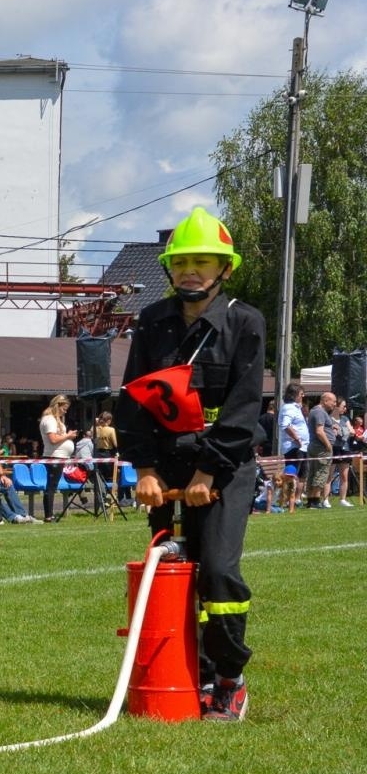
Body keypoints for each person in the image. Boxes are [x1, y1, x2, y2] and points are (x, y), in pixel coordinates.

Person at [117, 206, 264, 722]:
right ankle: (189, 674)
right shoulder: (151, 321)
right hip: (167, 467)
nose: (191, 271)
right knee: (172, 573)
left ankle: (229, 679)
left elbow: (246, 407)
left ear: (225, 269)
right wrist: (145, 469)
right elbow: (134, 398)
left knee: (219, 573)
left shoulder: (245, 323)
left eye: (204, 261)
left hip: (225, 467)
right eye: (181, 261)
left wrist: (210, 471)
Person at [38, 395, 78, 522]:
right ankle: (48, 516)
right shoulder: (49, 420)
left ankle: (49, 515)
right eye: (64, 409)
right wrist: (68, 436)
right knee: (51, 487)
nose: (65, 412)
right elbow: (53, 439)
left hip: (59, 457)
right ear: (57, 406)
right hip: (54, 456)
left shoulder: (55, 419)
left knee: (52, 486)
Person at [305, 392, 338, 509]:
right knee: (321, 473)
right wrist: (328, 445)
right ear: (325, 401)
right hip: (321, 448)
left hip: (315, 446)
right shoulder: (319, 412)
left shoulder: (316, 411)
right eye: (333, 401)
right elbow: (319, 431)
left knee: (314, 473)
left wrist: (332, 428)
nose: (334, 404)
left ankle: (311, 500)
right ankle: (315, 500)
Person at [277, 383, 307, 513]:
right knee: (291, 477)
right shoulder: (289, 408)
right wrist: (297, 439)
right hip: (293, 448)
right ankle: (285, 502)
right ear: (294, 395)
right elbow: (285, 425)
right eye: (301, 394)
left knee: (301, 475)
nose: (303, 396)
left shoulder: (296, 408)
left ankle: (295, 501)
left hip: (301, 448)